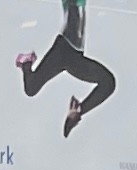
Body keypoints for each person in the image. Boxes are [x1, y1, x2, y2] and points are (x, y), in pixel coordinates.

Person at [18, 0, 117, 132]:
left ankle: (26, 62)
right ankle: (26, 62)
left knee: (30, 89)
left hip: (68, 54)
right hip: (69, 51)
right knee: (30, 89)